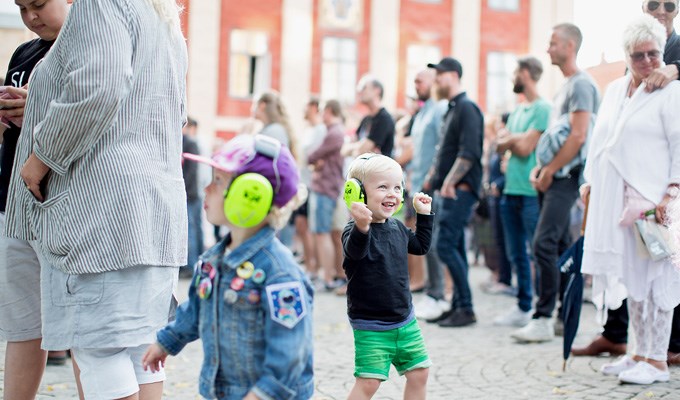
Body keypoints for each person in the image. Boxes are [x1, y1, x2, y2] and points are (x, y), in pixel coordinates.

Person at [5, 1, 188, 399]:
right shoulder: (160, 14)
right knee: (139, 344)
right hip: (151, 205)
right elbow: (176, 110)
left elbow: (97, 85)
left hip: (102, 207)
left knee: (97, 348)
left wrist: (41, 157)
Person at [143, 134, 313, 400]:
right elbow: (197, 309)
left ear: (251, 196)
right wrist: (167, 342)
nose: (206, 189)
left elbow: (291, 353)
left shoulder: (280, 274)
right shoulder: (213, 260)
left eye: (218, 181)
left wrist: (260, 395)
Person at [573, 0, 680, 365]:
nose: (649, 62)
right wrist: (589, 181)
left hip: (655, 201)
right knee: (634, 282)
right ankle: (637, 352)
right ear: (627, 56)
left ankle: (657, 359)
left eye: (654, 54)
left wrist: (673, 191)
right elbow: (600, 141)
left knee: (659, 284)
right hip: (619, 203)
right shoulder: (617, 90)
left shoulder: (671, 91)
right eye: (639, 56)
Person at [510, 23, 600, 343]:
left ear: (570, 46)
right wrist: (541, 168)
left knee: (543, 244)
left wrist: (550, 171)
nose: (548, 49)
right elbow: (556, 137)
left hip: (567, 178)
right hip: (555, 176)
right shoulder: (564, 87)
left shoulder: (582, 85)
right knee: (560, 247)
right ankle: (564, 314)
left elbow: (578, 136)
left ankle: (543, 316)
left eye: (553, 43)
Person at [0, 1, 70, 398]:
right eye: (21, 8)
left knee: (78, 326)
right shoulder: (23, 53)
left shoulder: (87, 49)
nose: (31, 16)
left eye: (39, 4)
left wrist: (39, 111)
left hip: (62, 204)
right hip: (12, 202)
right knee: (21, 324)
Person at [342, 153, 433, 400]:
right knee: (369, 382)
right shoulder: (354, 230)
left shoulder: (398, 227)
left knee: (420, 373)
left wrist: (424, 215)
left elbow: (421, 247)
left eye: (397, 187)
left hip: (405, 320)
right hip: (371, 324)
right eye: (382, 187)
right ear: (357, 193)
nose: (392, 193)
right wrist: (362, 226)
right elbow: (354, 254)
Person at [424, 57, 484, 328]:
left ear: (454, 75)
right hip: (447, 189)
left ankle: (467, 307)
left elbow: (469, 152)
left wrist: (448, 182)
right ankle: (460, 305)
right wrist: (434, 178)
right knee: (454, 245)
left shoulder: (467, 108)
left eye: (440, 74)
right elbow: (445, 150)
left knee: (444, 245)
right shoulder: (451, 109)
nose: (437, 79)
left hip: (459, 189)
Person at [493, 56, 551, 327]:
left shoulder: (542, 108)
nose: (512, 77)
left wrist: (510, 140)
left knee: (536, 251)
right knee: (515, 252)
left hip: (530, 192)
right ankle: (523, 305)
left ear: (526, 73)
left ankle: (543, 309)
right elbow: (498, 145)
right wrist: (514, 139)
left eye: (515, 72)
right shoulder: (517, 110)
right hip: (510, 190)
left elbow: (526, 149)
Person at [409, 69, 450, 321]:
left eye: (419, 81)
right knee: (424, 239)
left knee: (432, 241)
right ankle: (432, 292)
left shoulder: (439, 109)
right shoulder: (422, 111)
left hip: (430, 185)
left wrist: (432, 174)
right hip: (417, 183)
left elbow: (442, 146)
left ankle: (439, 294)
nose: (416, 85)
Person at [307, 100, 346, 291]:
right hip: (327, 187)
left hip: (326, 188)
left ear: (329, 111)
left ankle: (328, 278)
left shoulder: (334, 132)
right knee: (326, 234)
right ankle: (331, 276)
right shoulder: (335, 132)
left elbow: (312, 155)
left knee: (322, 234)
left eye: (323, 111)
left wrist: (315, 161)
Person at [294, 98, 326, 279]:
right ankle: (308, 264)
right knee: (301, 225)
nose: (303, 111)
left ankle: (313, 267)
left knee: (308, 227)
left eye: (305, 106)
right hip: (302, 183)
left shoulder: (320, 130)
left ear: (314, 107)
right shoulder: (308, 131)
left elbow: (319, 158)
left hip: (312, 185)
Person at [343, 75, 395, 158]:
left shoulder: (384, 119)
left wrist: (356, 147)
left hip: (378, 170)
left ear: (377, 91)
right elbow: (344, 150)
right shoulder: (366, 119)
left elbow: (360, 151)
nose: (359, 91)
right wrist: (358, 147)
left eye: (364, 88)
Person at [182, 117, 203, 276]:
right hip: (190, 193)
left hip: (191, 194)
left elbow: (191, 172)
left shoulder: (190, 143)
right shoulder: (188, 142)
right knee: (193, 230)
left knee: (191, 231)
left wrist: (184, 190)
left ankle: (191, 265)